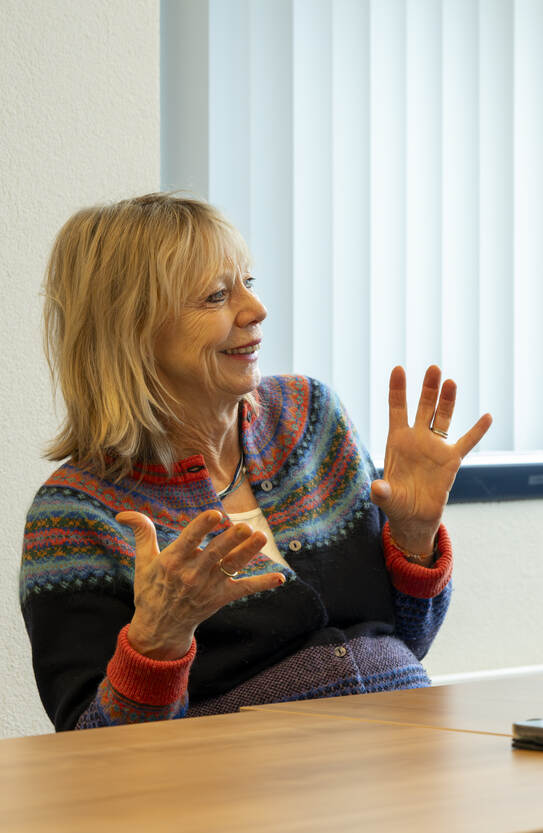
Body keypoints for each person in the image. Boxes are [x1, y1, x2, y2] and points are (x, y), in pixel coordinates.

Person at [21, 193, 491, 731]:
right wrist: (157, 641)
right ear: (132, 329)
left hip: (404, 744)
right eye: (217, 295)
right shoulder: (76, 515)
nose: (256, 310)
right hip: (247, 792)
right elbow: (91, 754)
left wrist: (414, 536)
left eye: (249, 282)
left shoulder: (311, 418)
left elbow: (408, 639)